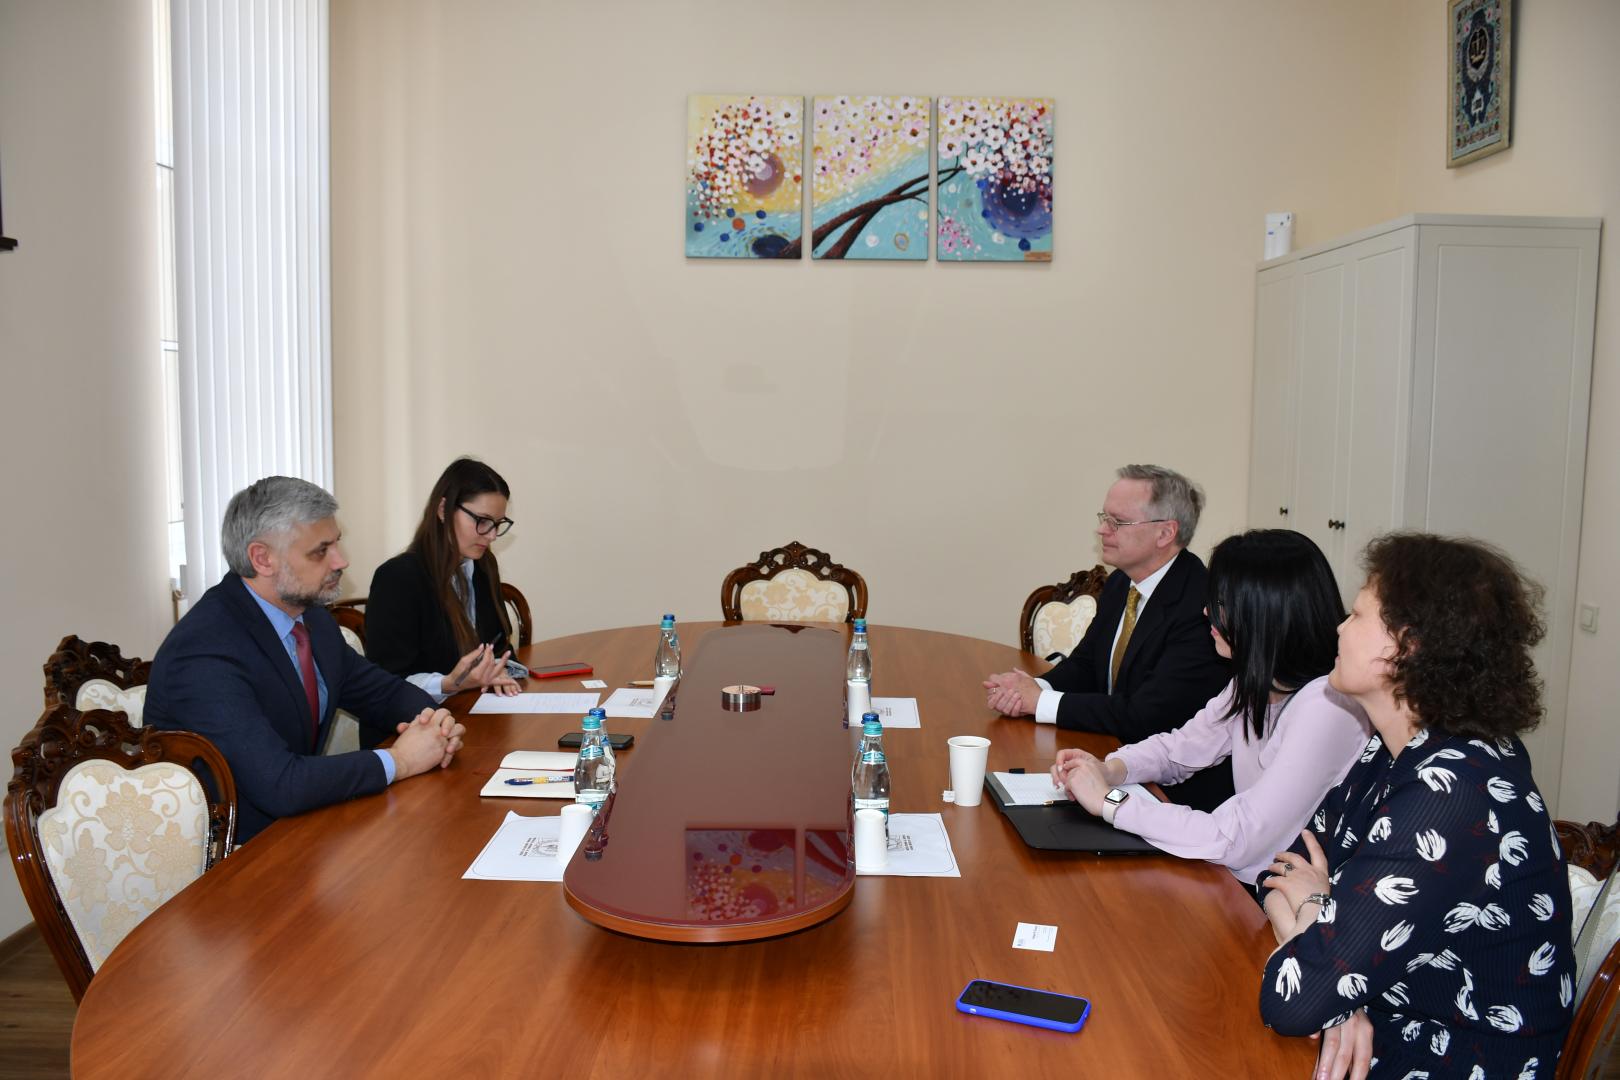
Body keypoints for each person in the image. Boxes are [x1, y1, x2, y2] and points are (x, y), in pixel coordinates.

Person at [1259, 534, 1575, 1079]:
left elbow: (1294, 1002)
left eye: (1357, 615)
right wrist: (1344, 989)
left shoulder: (1450, 789)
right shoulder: (1397, 747)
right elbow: (1286, 867)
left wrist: (1319, 924)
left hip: (1456, 1057)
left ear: (1407, 647)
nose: (1338, 627)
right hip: (1389, 1019)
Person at [146, 477, 467, 844]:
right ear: (262, 558)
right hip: (231, 859)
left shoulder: (308, 616)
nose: (341, 561)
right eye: (321, 550)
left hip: (300, 830)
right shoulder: (204, 651)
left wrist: (435, 723)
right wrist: (402, 761)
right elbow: (280, 784)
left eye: (337, 543)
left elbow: (380, 692)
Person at [1050, 530, 1370, 894]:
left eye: (1220, 602)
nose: (1206, 613)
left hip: (1277, 899)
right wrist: (1110, 769)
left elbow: (1235, 838)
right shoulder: (1258, 680)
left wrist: (1110, 802)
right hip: (1244, 881)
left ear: (1263, 613)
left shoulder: (1326, 706)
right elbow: (1180, 750)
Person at [984, 464, 1233, 809]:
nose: (1102, 530)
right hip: (1111, 757)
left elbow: (1146, 713)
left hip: (1172, 793)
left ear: (1165, 533)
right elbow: (1087, 664)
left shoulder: (1199, 604)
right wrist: (1033, 689)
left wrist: (1039, 703)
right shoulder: (1120, 583)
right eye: (1104, 517)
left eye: (1118, 522)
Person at [365, 458, 522, 702]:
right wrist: (449, 684)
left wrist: (499, 668)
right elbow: (385, 682)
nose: (491, 535)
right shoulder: (397, 578)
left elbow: (499, 644)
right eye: (482, 521)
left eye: (497, 524)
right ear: (442, 510)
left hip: (469, 712)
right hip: (410, 725)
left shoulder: (483, 564)